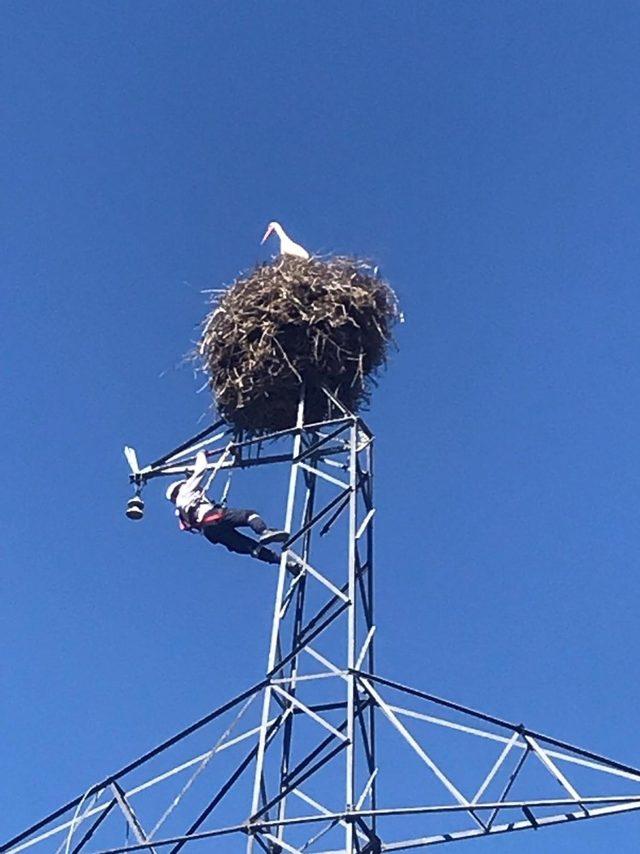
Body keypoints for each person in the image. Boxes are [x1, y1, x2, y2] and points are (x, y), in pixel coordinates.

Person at [165, 450, 290, 567]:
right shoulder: (185, 490)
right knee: (249, 515)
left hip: (212, 532)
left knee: (250, 547)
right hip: (214, 517)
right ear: (179, 488)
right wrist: (201, 455)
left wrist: (189, 477)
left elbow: (197, 497)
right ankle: (264, 532)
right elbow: (201, 470)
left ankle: (283, 562)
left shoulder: (181, 512)